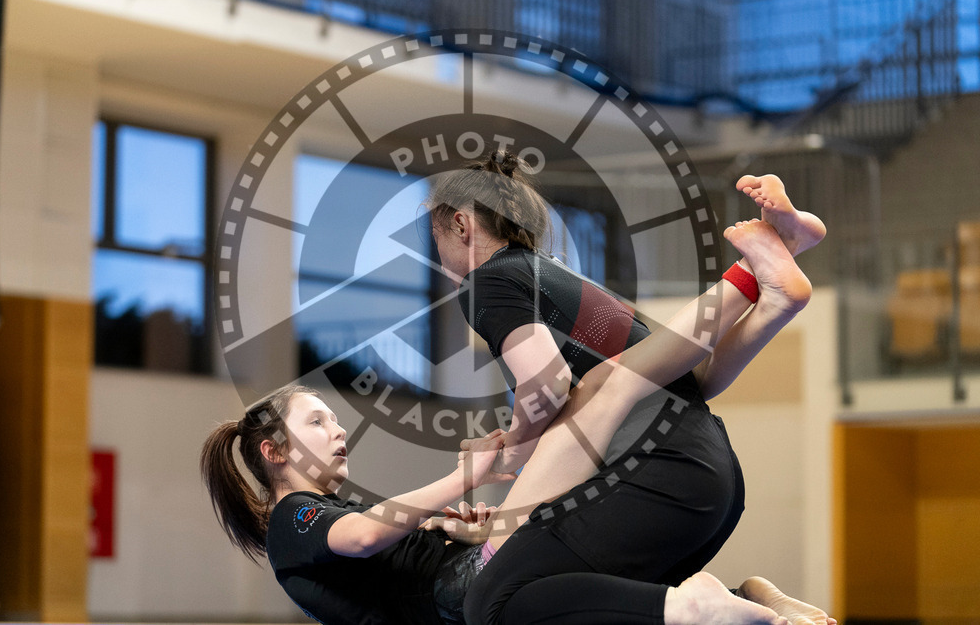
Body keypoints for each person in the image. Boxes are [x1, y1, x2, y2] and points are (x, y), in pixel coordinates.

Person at [200, 184, 833, 623]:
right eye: (319, 421)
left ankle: (761, 274)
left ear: (462, 225)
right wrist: (465, 488)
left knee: (605, 396)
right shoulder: (293, 520)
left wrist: (492, 469)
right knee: (612, 402)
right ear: (272, 451)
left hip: (497, 569)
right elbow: (694, 370)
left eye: (334, 418)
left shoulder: (491, 283)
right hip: (695, 452)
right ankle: (767, 279)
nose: (340, 432)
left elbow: (564, 387)